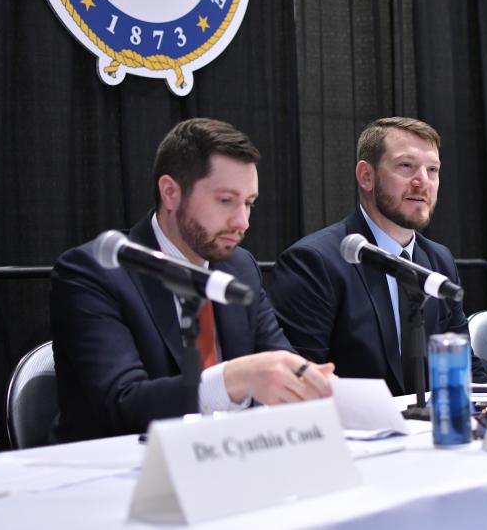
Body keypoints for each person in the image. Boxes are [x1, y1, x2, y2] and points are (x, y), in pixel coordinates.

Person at [51, 118, 333, 443]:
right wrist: (232, 379)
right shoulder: (93, 272)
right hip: (120, 476)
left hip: (233, 461)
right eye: (225, 200)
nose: (242, 221)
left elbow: (281, 363)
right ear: (171, 192)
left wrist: (308, 382)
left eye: (249, 203)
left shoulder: (238, 267)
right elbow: (121, 405)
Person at [269, 117, 487, 396]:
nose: (422, 181)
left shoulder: (439, 260)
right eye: (406, 166)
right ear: (366, 176)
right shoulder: (314, 262)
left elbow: (465, 367)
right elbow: (303, 381)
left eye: (432, 169)